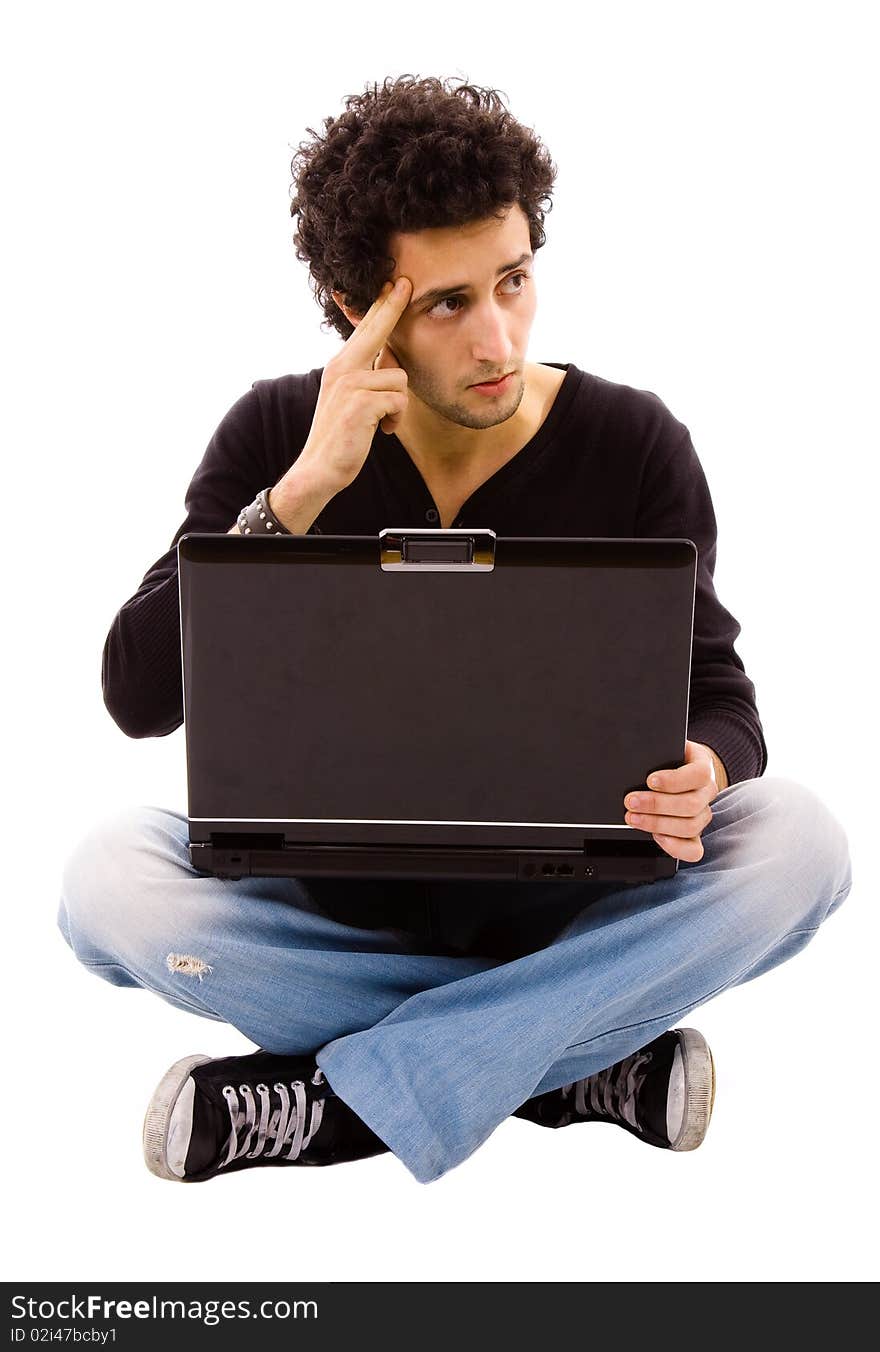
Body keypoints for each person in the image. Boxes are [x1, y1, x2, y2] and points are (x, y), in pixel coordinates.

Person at [58, 74, 852, 1185]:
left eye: (514, 281)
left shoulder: (633, 440)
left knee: (800, 842)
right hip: (337, 908)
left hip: (572, 900)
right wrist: (297, 495)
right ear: (356, 305)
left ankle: (340, 1100)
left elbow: (720, 693)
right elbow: (137, 694)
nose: (498, 338)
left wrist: (710, 764)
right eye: (446, 304)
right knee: (106, 882)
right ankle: (564, 1060)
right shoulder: (278, 432)